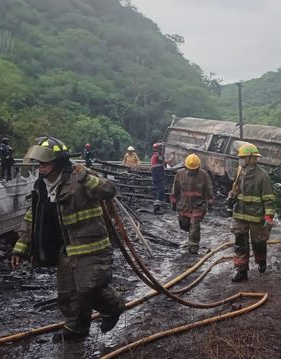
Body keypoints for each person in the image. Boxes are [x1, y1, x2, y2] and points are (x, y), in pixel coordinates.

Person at [11, 136, 125, 342]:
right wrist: (20, 247)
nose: (41, 168)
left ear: (58, 162)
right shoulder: (42, 185)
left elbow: (109, 190)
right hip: (65, 248)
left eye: (45, 164)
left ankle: (115, 307)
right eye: (39, 164)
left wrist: (87, 178)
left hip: (90, 246)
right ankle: (76, 329)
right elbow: (32, 216)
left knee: (89, 288)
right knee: (68, 292)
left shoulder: (78, 177)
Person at [228, 143, 276, 282]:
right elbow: (235, 188)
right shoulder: (239, 171)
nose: (240, 160)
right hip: (239, 213)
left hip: (256, 216)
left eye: (243, 157)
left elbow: (269, 198)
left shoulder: (263, 176)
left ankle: (261, 261)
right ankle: (241, 270)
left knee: (259, 242)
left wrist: (268, 218)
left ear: (251, 158)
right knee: (240, 243)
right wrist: (232, 195)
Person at [170, 154, 214, 254]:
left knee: (194, 225)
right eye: (190, 169)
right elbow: (175, 189)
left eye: (194, 169)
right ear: (186, 167)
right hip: (184, 204)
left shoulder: (203, 175)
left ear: (198, 167)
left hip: (198, 205)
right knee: (184, 224)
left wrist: (210, 202)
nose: (192, 171)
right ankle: (191, 238)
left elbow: (208, 189)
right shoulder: (180, 174)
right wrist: (173, 202)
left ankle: (193, 246)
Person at [150, 142, 168, 214]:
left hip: (157, 177)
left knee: (160, 192)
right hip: (158, 177)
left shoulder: (155, 156)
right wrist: (173, 157)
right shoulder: (157, 156)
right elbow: (165, 161)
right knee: (160, 192)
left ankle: (157, 208)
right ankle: (156, 209)